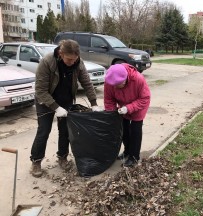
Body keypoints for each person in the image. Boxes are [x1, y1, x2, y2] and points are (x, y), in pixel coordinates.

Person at [30, 39, 101, 177]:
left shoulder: (78, 62)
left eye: (74, 59)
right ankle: (36, 161)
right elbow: (40, 91)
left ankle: (62, 157)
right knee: (43, 131)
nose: (72, 62)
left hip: (66, 101)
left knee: (65, 132)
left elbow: (86, 82)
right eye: (69, 59)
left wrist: (94, 103)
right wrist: (56, 108)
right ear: (61, 54)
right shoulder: (47, 62)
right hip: (45, 102)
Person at [104, 63, 151, 167]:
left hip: (139, 105)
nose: (116, 87)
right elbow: (109, 100)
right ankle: (127, 151)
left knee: (135, 130)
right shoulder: (110, 82)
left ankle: (134, 157)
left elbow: (145, 98)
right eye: (114, 85)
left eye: (119, 84)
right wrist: (112, 113)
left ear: (125, 78)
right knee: (124, 129)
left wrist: (129, 108)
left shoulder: (138, 79)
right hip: (122, 106)